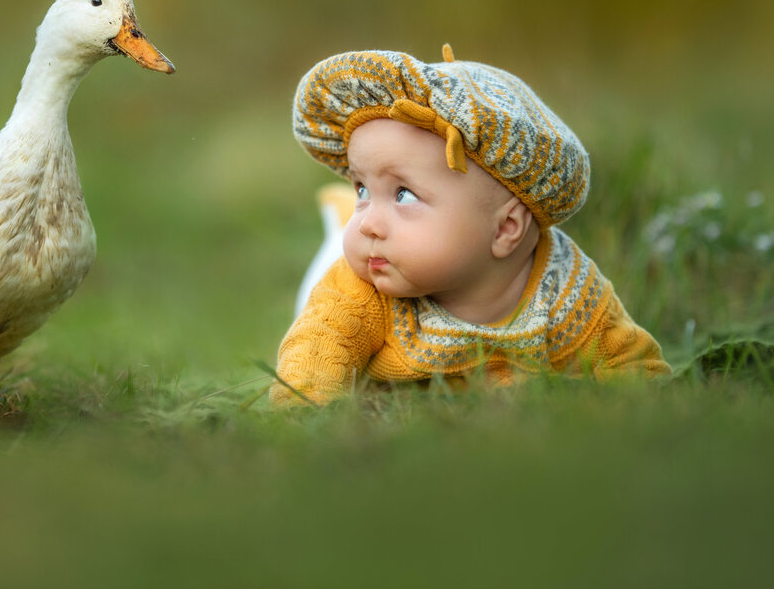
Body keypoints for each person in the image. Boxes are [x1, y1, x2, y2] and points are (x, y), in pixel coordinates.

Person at [270, 47, 670, 407]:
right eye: (361, 189)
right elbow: (318, 349)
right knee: (320, 290)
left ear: (505, 230)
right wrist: (304, 410)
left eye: (404, 195)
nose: (369, 224)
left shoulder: (566, 292)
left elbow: (627, 362)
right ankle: (336, 214)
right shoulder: (365, 286)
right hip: (359, 341)